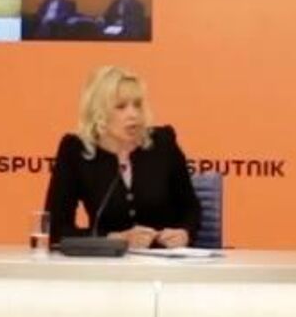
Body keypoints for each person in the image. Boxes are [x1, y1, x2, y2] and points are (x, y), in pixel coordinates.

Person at [42, 66, 199, 247]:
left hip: (162, 259)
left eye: (137, 105)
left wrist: (185, 232)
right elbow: (55, 229)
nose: (133, 114)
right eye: (121, 107)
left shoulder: (162, 143)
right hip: (106, 261)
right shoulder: (75, 150)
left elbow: (190, 208)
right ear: (98, 112)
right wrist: (112, 239)